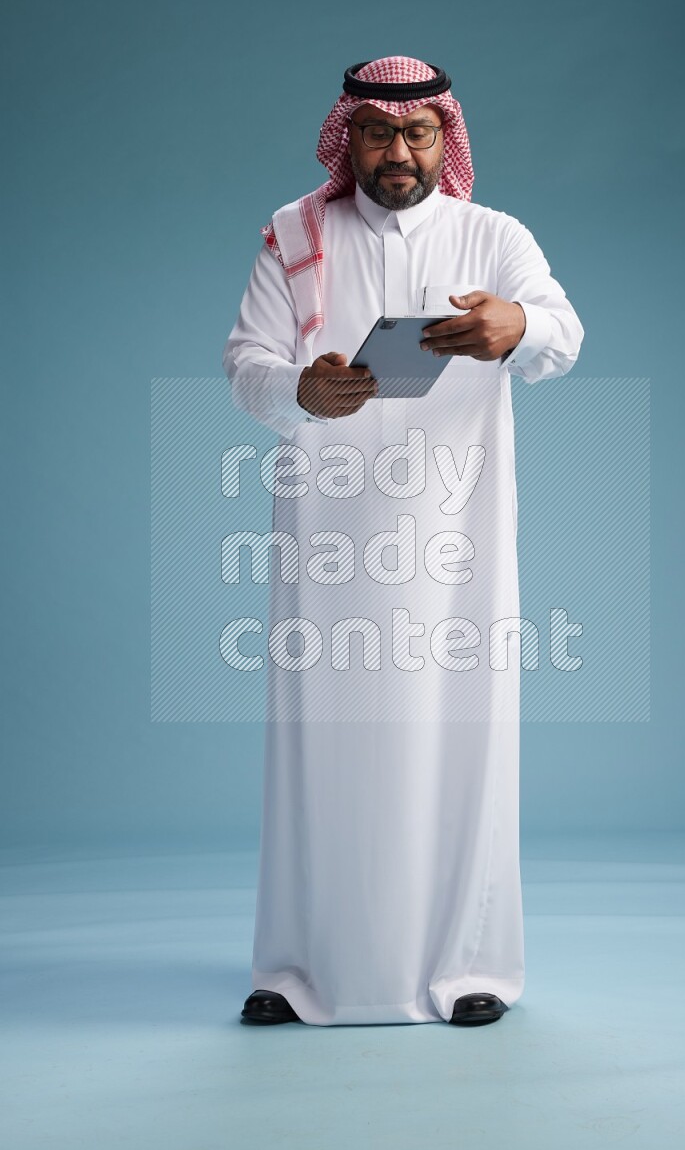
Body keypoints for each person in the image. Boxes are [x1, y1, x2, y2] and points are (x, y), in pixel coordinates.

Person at [222, 56, 584, 1027]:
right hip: (328, 542)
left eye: (417, 133)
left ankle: (469, 966)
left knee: (460, 738)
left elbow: (562, 332)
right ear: (349, 137)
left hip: (455, 541)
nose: (398, 152)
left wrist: (515, 326)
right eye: (379, 132)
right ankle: (296, 969)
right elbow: (246, 362)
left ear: (442, 137)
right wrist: (302, 389)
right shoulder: (295, 233)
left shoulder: (492, 235)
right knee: (319, 745)